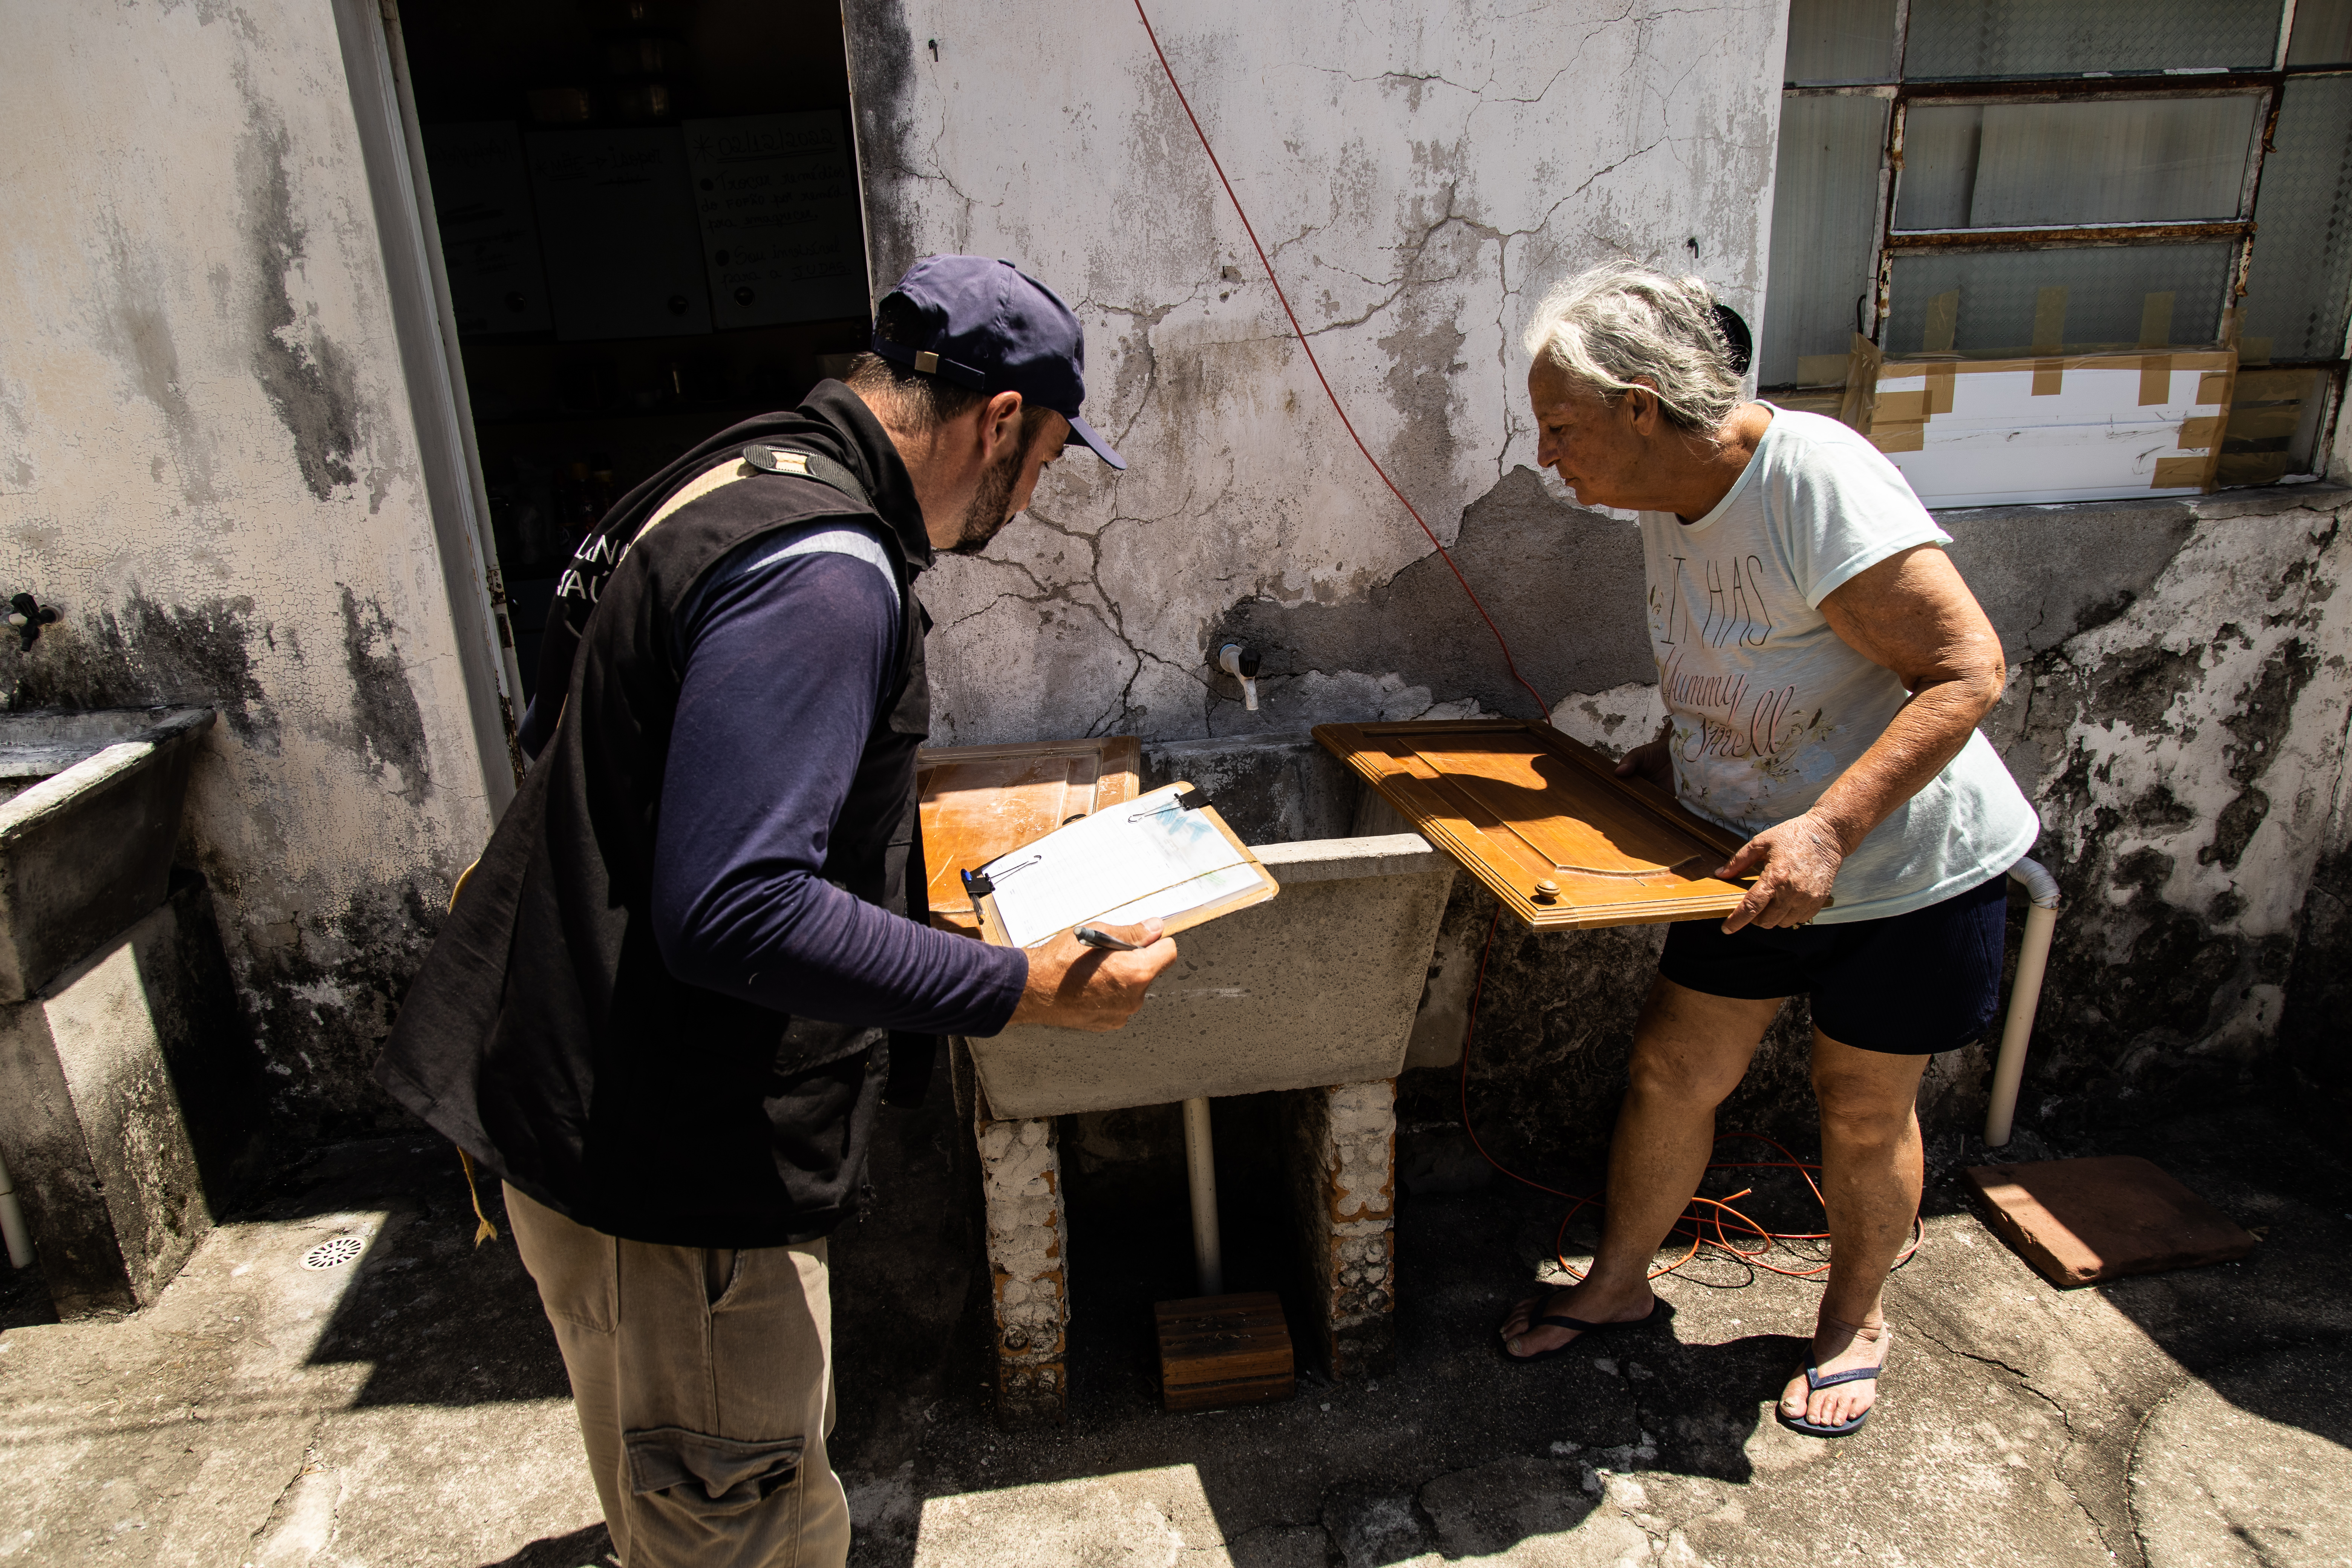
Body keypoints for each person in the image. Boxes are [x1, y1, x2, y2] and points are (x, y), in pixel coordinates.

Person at [375, 256, 1179, 1565]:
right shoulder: (823, 573)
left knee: (710, 1496)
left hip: (597, 1106)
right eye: (1045, 460)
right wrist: (1017, 986)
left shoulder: (738, 476)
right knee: (738, 1531)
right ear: (998, 420)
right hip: (667, 1178)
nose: (1035, 496)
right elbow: (738, 910)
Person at [1495, 261, 2038, 1439]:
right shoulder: (1669, 498)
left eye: (1563, 427)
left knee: (1861, 1105)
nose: (1548, 457)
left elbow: (1967, 669)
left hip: (1903, 867)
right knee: (1670, 1070)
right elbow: (1747, 655)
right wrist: (1669, 754)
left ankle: (1852, 1321)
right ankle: (1620, 1281)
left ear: (1643, 407)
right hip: (1746, 855)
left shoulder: (1815, 479)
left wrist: (1831, 828)